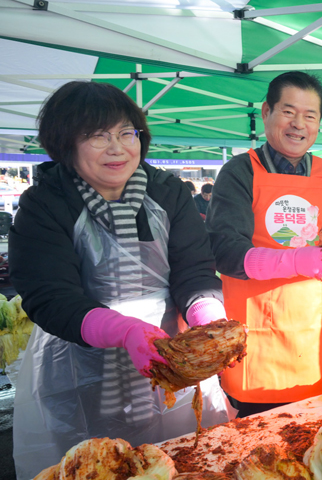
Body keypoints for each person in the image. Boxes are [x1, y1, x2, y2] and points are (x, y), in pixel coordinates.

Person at [10, 81, 232, 479]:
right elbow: (50, 295)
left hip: (169, 356)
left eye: (126, 133)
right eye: (97, 136)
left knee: (180, 461)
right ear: (65, 143)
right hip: (79, 363)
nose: (118, 148)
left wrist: (206, 316)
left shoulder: (168, 192)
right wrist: (123, 329)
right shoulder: (45, 202)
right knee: (94, 465)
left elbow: (194, 268)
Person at [206, 71, 322, 417]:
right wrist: (296, 261)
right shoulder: (239, 172)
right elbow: (225, 251)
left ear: (319, 123)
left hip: (316, 338)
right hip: (257, 341)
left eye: (310, 116)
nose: (298, 124)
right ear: (266, 112)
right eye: (288, 111)